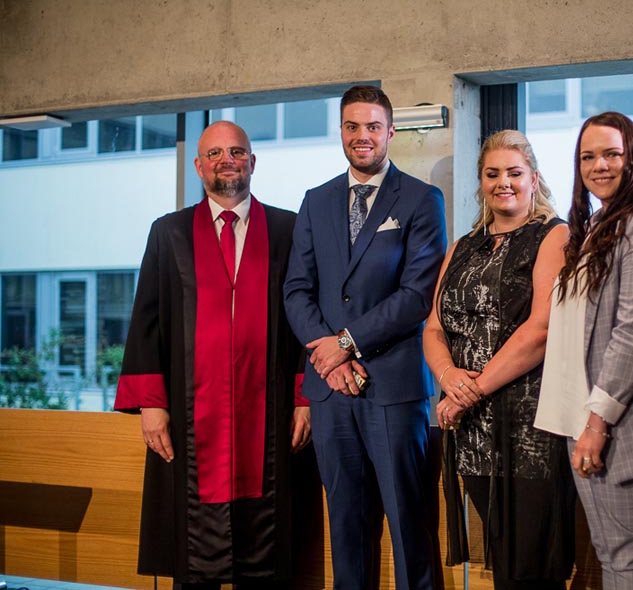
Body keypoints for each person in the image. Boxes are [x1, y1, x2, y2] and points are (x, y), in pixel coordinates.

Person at [114, 121, 312, 589]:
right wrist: (151, 403)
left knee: (266, 552)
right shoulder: (170, 233)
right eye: (216, 153)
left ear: (253, 162)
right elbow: (147, 319)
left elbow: (309, 318)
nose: (227, 160)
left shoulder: (288, 230)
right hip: (189, 414)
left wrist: (306, 398)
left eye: (237, 152)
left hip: (271, 410)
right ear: (200, 165)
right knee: (194, 555)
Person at [283, 85, 447, 590]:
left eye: (373, 126)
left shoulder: (421, 199)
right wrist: (331, 358)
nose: (362, 136)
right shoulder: (315, 201)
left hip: (394, 389)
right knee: (347, 528)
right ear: (341, 132)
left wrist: (347, 343)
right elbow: (296, 291)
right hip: (332, 393)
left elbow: (417, 295)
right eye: (352, 126)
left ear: (391, 132)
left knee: (408, 526)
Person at [423, 129, 573, 590]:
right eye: (492, 174)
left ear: (534, 178)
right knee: (503, 559)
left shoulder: (554, 235)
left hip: (530, 428)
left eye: (514, 172)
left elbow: (542, 329)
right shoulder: (462, 246)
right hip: (473, 432)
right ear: (481, 182)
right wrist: (448, 375)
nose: (503, 182)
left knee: (532, 566)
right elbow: (432, 327)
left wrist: (469, 391)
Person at [535, 112, 633, 589]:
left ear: (632, 155)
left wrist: (597, 422)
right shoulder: (596, 223)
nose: (599, 165)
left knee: (630, 558)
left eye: (611, 153)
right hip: (586, 416)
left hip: (619, 422)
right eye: (588, 156)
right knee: (613, 557)